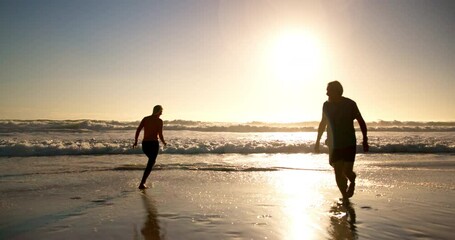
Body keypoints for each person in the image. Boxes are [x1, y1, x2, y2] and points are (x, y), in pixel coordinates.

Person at [315, 81, 368, 199]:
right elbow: (323, 122)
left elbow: (361, 121)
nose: (326, 93)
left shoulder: (350, 104)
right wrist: (317, 141)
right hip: (334, 144)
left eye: (329, 90)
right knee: (338, 171)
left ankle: (352, 181)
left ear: (337, 91)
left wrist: (365, 139)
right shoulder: (326, 105)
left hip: (348, 142)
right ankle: (344, 196)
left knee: (347, 171)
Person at [134, 105, 167, 189]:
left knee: (151, 162)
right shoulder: (159, 121)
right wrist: (164, 142)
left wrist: (136, 141)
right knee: (151, 162)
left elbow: (138, 130)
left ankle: (142, 182)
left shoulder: (146, 118)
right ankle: (142, 183)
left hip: (145, 144)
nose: (162, 113)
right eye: (161, 111)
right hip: (153, 144)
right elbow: (160, 134)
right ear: (159, 111)